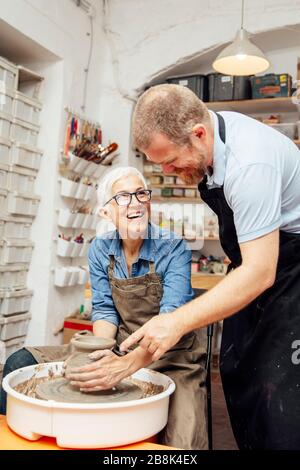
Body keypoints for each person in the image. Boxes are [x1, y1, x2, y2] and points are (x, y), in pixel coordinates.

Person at [115, 84, 300, 450]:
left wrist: (175, 321)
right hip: (259, 264)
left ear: (198, 133)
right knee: (236, 370)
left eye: (169, 160)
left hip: (292, 274)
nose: (166, 169)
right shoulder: (213, 144)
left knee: (279, 395)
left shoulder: (250, 164)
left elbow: (261, 272)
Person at [0, 166, 208, 450]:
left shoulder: (173, 248)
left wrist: (126, 365)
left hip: (173, 355)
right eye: (123, 196)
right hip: (120, 345)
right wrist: (99, 351)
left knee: (182, 441)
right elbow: (104, 309)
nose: (135, 203)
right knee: (18, 363)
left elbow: (169, 318)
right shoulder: (100, 248)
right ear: (106, 212)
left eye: (140, 194)